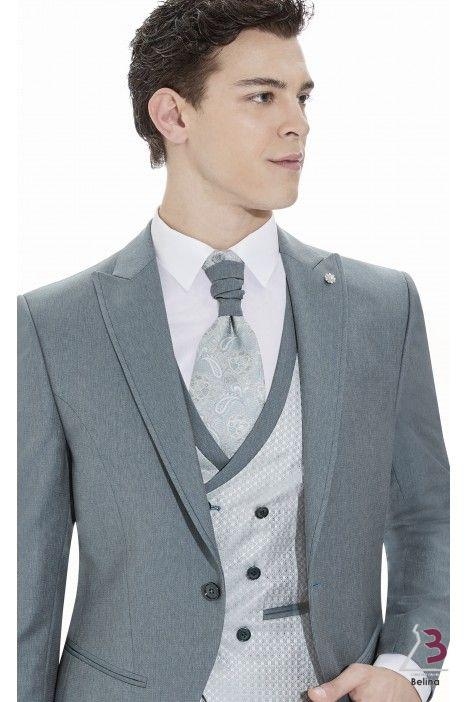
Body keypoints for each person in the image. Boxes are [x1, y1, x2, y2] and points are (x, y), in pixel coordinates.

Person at [17, 1, 449, 701]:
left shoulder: (380, 307)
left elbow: (424, 513)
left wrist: (411, 670)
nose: (297, 123)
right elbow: (25, 580)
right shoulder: (54, 325)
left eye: (302, 97)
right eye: (262, 96)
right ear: (173, 116)